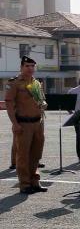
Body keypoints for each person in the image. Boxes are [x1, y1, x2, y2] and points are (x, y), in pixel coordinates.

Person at [5, 56, 47, 194]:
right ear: (21, 67)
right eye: (27, 66)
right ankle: (24, 184)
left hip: (37, 123)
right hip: (23, 123)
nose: (30, 69)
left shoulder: (36, 83)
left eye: (32, 66)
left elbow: (41, 100)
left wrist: (43, 104)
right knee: (23, 155)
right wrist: (15, 124)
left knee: (36, 154)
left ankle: (35, 181)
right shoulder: (15, 83)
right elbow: (9, 105)